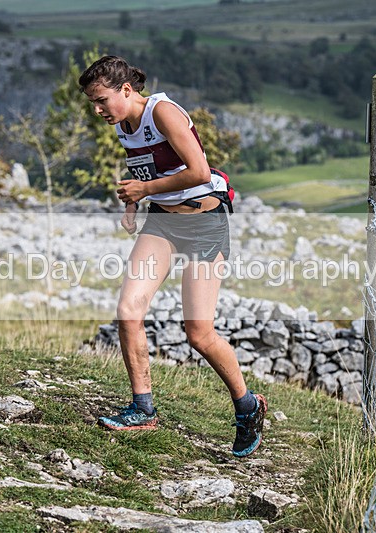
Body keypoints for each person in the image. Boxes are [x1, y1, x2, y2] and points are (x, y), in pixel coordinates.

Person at [78, 55, 266, 457]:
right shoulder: (122, 124)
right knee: (129, 309)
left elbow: (199, 171)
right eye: (92, 103)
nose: (97, 110)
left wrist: (143, 193)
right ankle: (142, 408)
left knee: (198, 333)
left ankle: (247, 406)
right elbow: (144, 174)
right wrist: (133, 203)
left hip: (204, 223)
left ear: (126, 91)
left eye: (101, 100)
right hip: (162, 223)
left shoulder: (163, 112)